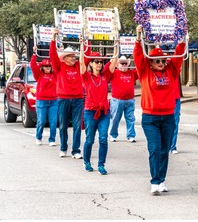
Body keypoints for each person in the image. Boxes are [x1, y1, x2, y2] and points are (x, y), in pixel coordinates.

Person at [134, 25, 185, 194]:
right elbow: (138, 55)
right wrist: (138, 35)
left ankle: (162, 180)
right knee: (155, 148)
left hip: (168, 117)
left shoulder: (171, 71)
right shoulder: (144, 71)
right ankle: (154, 181)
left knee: (165, 150)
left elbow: (179, 53)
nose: (162, 63)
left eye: (163, 60)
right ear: (151, 62)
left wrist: (182, 34)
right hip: (150, 118)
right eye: (157, 61)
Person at [79, 43, 118, 175]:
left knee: (103, 139)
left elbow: (114, 61)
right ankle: (87, 161)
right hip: (90, 112)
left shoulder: (105, 75)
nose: (99, 64)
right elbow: (81, 64)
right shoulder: (86, 77)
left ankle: (101, 164)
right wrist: (81, 46)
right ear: (91, 64)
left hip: (104, 112)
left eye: (101, 62)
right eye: (96, 62)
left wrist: (116, 45)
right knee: (90, 139)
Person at [50, 28, 84, 159]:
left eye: (74, 56)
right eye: (71, 56)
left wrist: (82, 43)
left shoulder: (78, 66)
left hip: (77, 99)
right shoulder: (60, 67)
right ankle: (63, 148)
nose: (74, 58)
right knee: (63, 125)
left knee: (77, 126)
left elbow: (84, 59)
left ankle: (76, 150)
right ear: (65, 58)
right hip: (63, 98)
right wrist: (53, 38)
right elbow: (53, 56)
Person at [108, 56, 139, 143]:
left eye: (126, 63)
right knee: (115, 118)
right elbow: (106, 70)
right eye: (122, 63)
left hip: (130, 100)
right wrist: (111, 62)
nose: (124, 65)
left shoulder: (132, 73)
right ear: (117, 65)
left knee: (131, 119)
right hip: (117, 100)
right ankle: (113, 134)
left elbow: (140, 69)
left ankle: (131, 135)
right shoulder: (113, 72)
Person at [30, 49, 58, 147]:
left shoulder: (55, 75)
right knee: (41, 121)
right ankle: (38, 137)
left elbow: (57, 63)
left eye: (49, 66)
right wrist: (34, 54)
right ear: (42, 67)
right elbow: (33, 66)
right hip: (41, 101)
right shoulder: (39, 75)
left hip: (53, 101)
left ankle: (52, 139)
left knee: (53, 122)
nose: (48, 68)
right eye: (46, 66)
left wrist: (59, 53)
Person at [169, 74, 182, 154]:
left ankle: (172, 146)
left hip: (175, 99)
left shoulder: (174, 67)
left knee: (175, 124)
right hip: (162, 98)